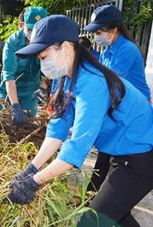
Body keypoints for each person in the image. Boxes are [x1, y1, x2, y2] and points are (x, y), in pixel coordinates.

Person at [8, 15, 153, 226]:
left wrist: (34, 183)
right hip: (122, 152)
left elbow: (76, 149)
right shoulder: (66, 77)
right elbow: (58, 127)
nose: (43, 64)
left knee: (92, 220)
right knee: (115, 214)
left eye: (43, 56)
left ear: (66, 48)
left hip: (142, 156)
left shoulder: (92, 83)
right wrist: (32, 168)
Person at [83, 5, 153, 193]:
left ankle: (97, 198)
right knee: (105, 154)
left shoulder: (127, 50)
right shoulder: (108, 51)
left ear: (113, 30)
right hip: (120, 110)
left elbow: (109, 83)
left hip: (136, 115)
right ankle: (93, 195)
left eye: (99, 32)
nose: (95, 36)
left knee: (110, 156)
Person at [0, 7, 48, 126]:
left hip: (30, 95)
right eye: (30, 29)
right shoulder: (13, 42)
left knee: (26, 132)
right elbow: (9, 75)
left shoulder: (47, 43)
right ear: (22, 25)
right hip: (8, 94)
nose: (33, 35)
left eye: (38, 31)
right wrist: (15, 105)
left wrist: (42, 88)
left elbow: (48, 72)